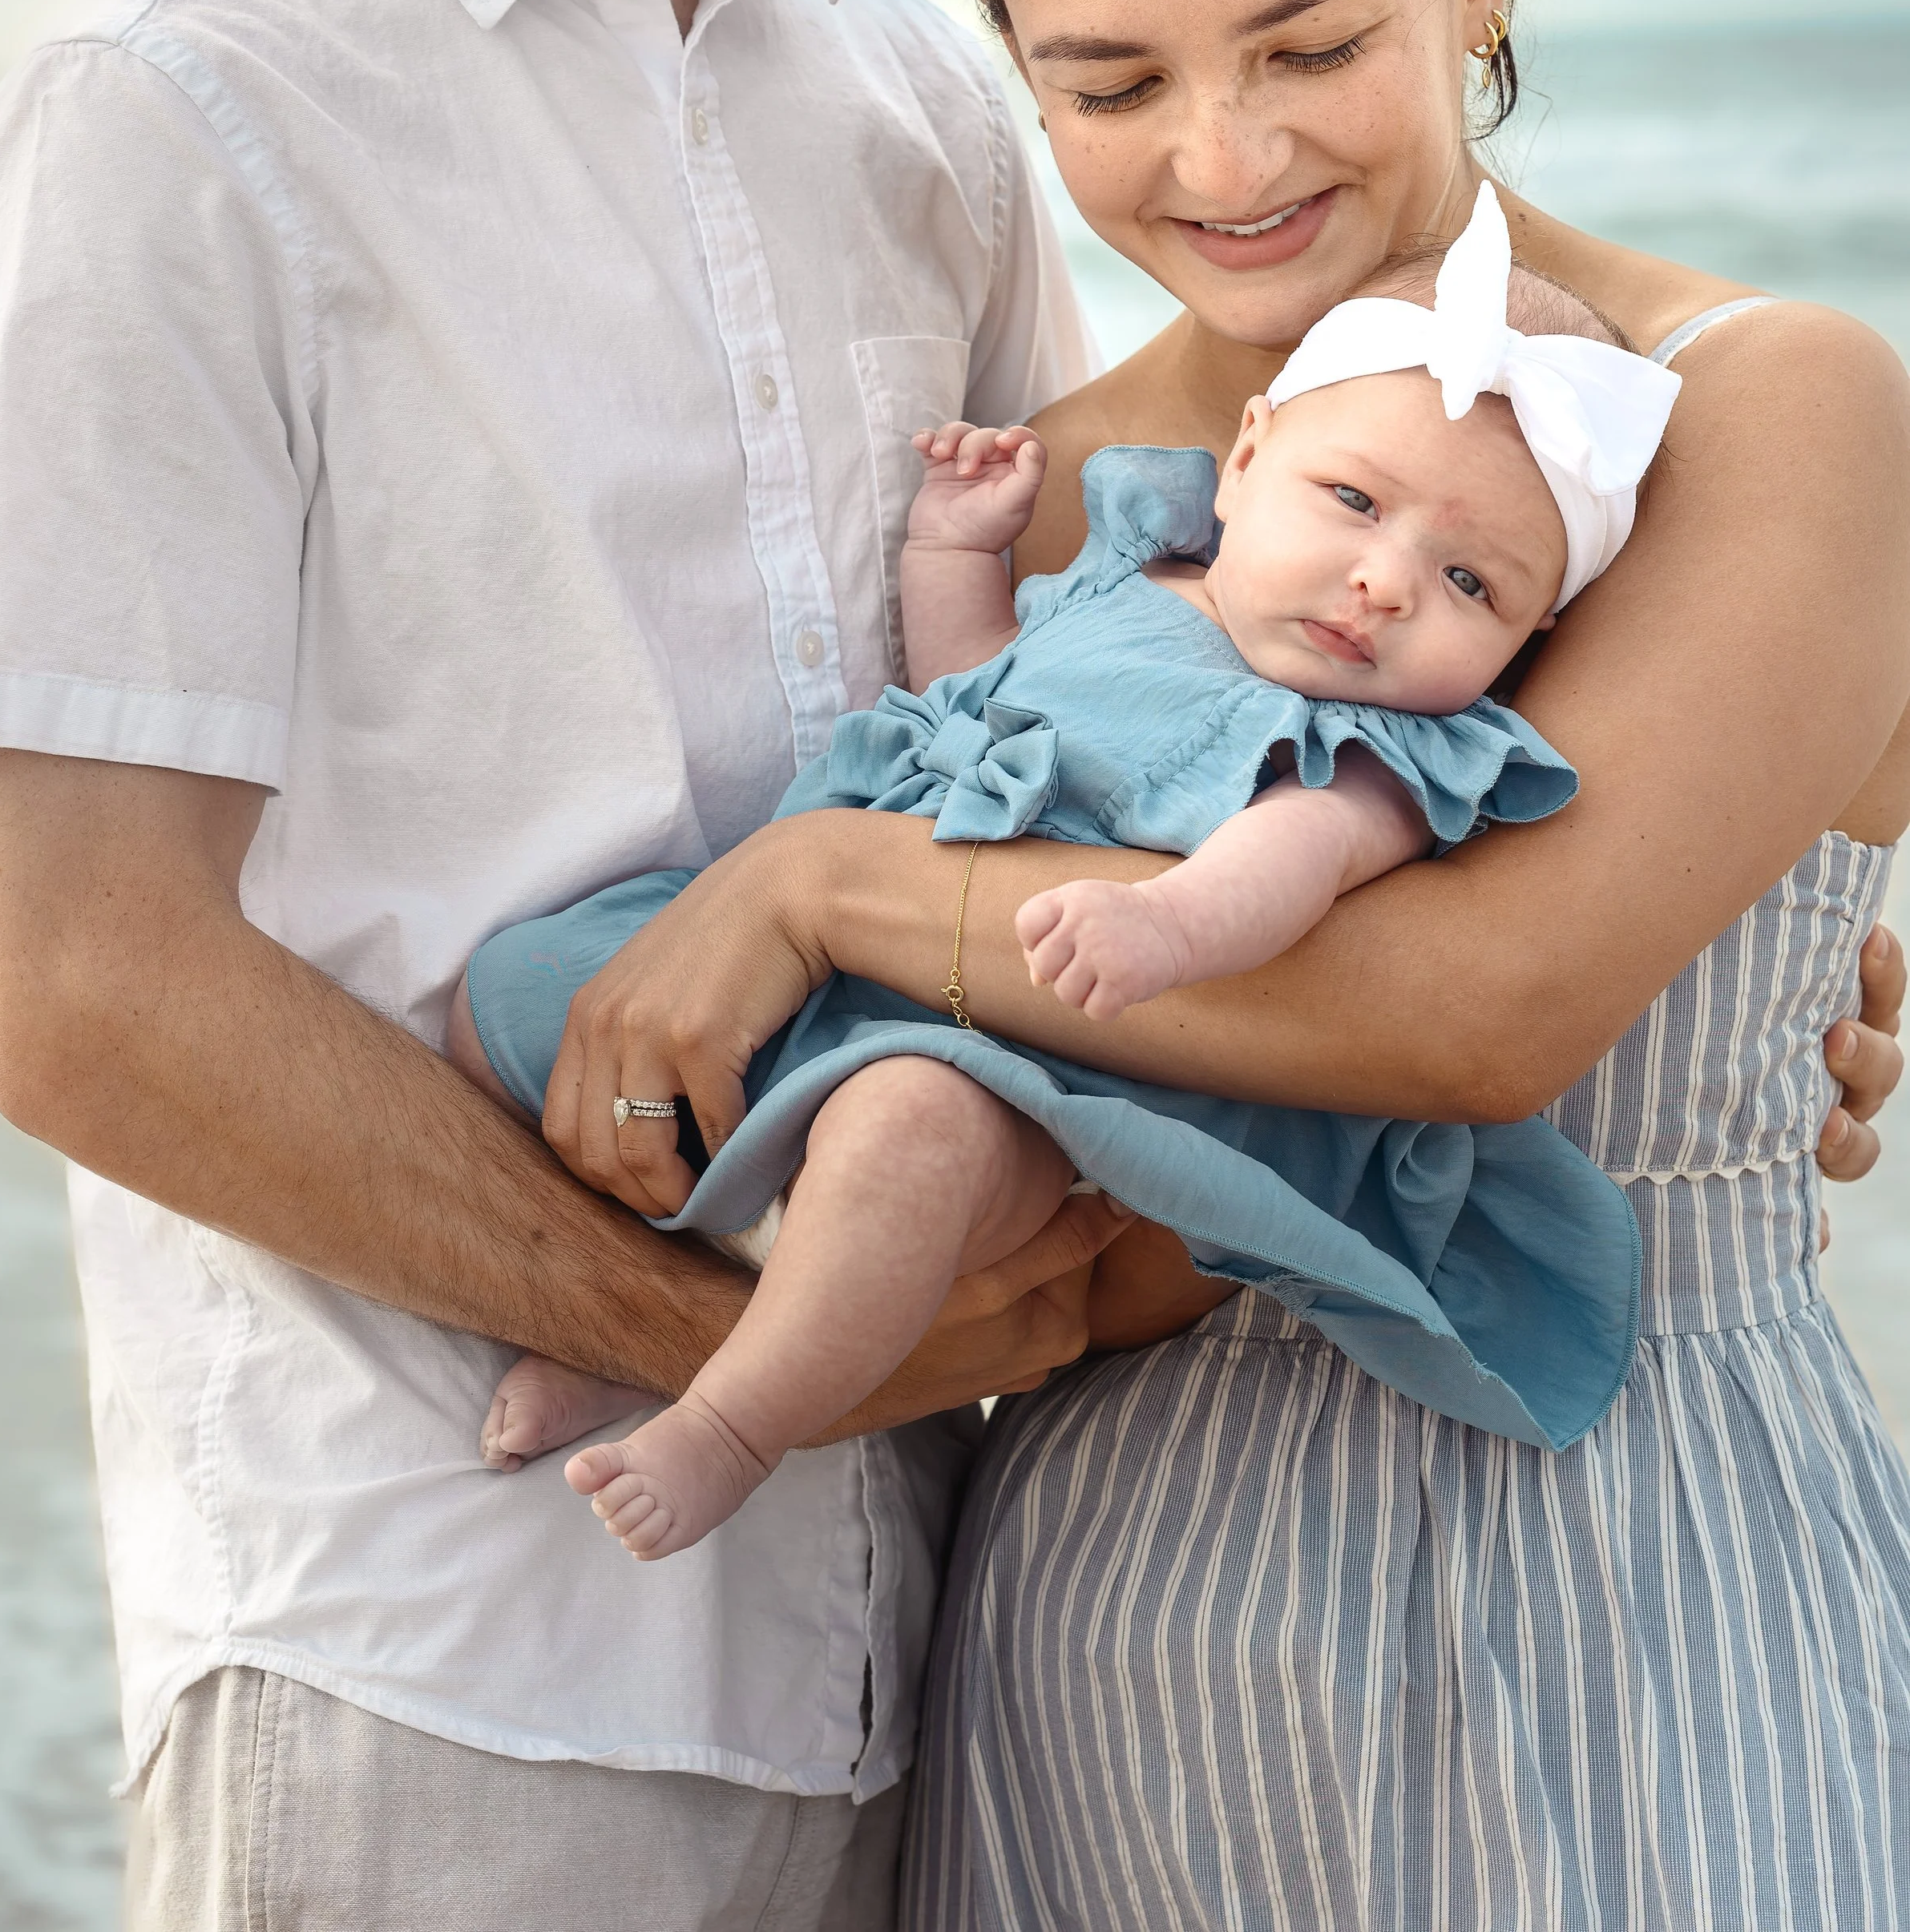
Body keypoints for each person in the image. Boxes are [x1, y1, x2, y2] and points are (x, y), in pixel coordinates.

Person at [0, 0, 1117, 1932]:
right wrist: (725, 1352)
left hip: (933, 1661)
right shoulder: (175, 120)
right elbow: (80, 997)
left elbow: (1123, 737)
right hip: (428, 1684)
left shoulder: (920, 114)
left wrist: (1695, 974)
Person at [535, 0, 1910, 1927]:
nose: (1223, 152)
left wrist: (824, 885)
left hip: (1635, 1564)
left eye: (1309, 40)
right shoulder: (1040, 496)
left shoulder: (1769, 411)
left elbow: (1483, 1011)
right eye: (1107, 79)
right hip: (1119, 1617)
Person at [454, 189, 1678, 1562]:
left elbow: (1294, 859)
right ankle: (620, 1326)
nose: (1383, 581)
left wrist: (1164, 922)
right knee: (519, 987)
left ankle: (732, 1419)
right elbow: (973, 696)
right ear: (1248, 454)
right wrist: (953, 550)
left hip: (1023, 1057)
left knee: (903, 1139)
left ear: (1532, 633)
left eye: (1470, 582)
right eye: (1353, 501)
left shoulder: (1377, 747)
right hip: (834, 970)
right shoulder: (1123, 578)